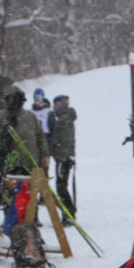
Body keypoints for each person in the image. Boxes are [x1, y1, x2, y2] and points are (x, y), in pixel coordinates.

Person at [0, 85, 48, 264]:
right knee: (12, 203)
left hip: (30, 164)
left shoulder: (30, 117)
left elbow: (40, 136)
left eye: (15, 98)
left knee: (30, 201)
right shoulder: (0, 117)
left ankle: (30, 235)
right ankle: (16, 235)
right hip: (10, 165)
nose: (12, 101)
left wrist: (45, 154)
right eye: (9, 98)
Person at [50, 93, 76, 221]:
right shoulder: (66, 118)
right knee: (62, 186)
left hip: (63, 158)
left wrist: (60, 155)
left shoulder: (63, 120)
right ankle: (69, 211)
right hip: (66, 157)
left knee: (61, 188)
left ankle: (69, 212)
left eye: (54, 104)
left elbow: (64, 140)